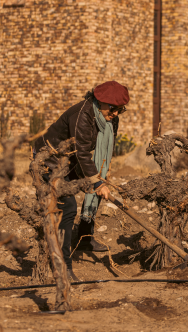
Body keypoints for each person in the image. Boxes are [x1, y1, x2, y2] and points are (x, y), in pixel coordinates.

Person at [33, 81, 129, 281]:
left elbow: (104, 149)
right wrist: (96, 182)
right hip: (50, 160)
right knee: (67, 207)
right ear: (99, 101)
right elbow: (83, 152)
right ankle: (64, 265)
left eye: (121, 110)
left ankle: (85, 239)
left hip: (72, 160)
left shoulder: (110, 118)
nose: (116, 114)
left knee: (96, 190)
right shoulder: (83, 115)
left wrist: (101, 176)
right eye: (112, 109)